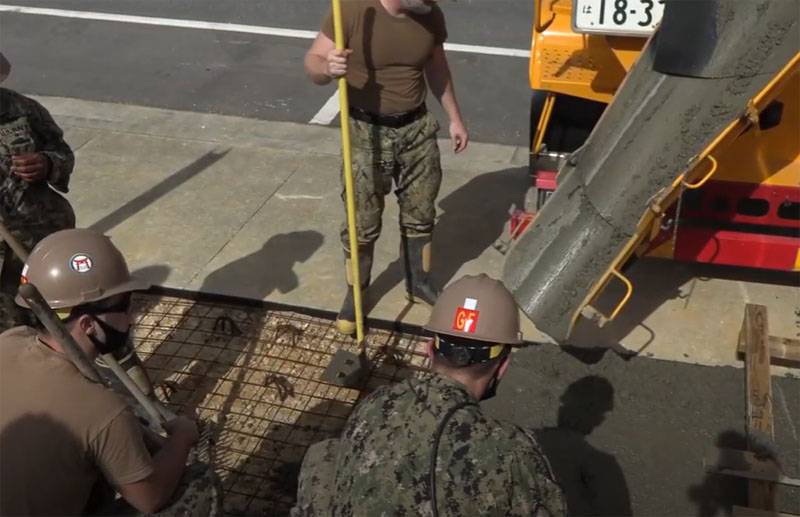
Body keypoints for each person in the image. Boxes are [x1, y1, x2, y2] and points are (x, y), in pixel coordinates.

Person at [292, 274, 567, 516]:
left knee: (325, 453)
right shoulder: (511, 451)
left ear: (428, 349)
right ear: (503, 365)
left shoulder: (377, 402)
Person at [0, 229, 199, 516]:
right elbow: (150, 498)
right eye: (125, 306)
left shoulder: (10, 339)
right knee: (193, 487)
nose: (132, 318)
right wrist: (182, 437)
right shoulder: (105, 411)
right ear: (88, 325)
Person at [304, 0, 469, 335]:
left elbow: (437, 68)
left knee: (421, 212)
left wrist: (455, 118)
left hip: (416, 127)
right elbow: (312, 62)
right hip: (366, 132)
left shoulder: (429, 13)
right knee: (361, 221)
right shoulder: (352, 10)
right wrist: (327, 68)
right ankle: (357, 293)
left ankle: (418, 282)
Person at [0, 51, 76, 331]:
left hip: (38, 243)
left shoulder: (23, 110)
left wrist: (47, 163)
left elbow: (62, 152)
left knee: (53, 323)